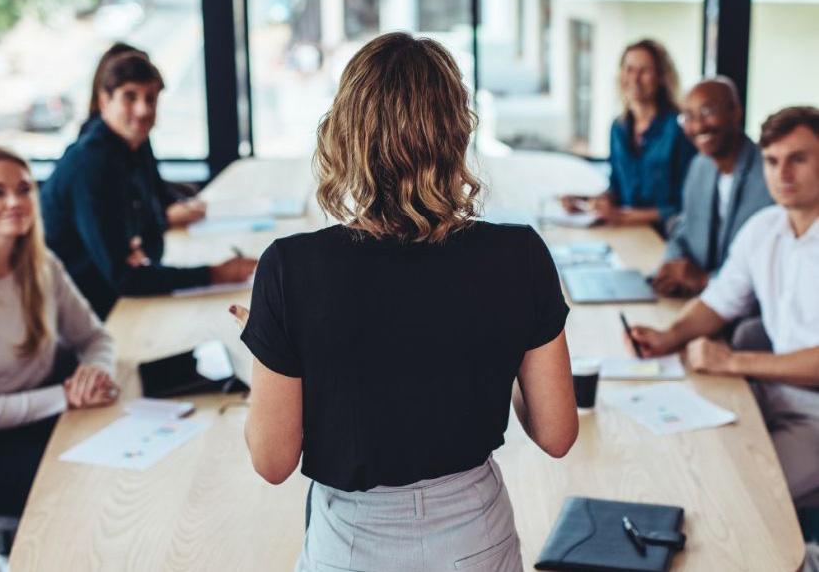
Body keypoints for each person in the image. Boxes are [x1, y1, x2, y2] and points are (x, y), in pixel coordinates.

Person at [236, 33, 578, 572]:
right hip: (477, 539)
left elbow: (272, 460)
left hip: (351, 547)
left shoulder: (289, 269)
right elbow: (556, 434)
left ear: (345, 134)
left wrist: (273, 347)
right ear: (457, 132)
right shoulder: (521, 254)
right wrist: (503, 340)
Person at [628, 106, 819, 508]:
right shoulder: (764, 228)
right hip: (770, 394)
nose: (781, 175)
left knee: (740, 498)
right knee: (688, 460)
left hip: (813, 415)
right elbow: (719, 301)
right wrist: (668, 336)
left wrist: (733, 361)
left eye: (798, 160)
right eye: (771, 161)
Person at [0, 143, 120, 517]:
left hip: (43, 418)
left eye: (24, 188)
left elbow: (96, 338)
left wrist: (94, 372)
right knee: (87, 490)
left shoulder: (43, 267)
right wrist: (65, 397)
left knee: (122, 462)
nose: (15, 201)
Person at [41, 51, 257, 320]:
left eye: (150, 99)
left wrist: (138, 247)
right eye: (130, 97)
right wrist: (216, 273)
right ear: (104, 101)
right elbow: (124, 278)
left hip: (110, 290)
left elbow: (152, 228)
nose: (143, 110)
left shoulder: (134, 143)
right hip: (79, 308)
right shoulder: (91, 164)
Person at [652, 77, 774, 297]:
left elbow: (769, 264)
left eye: (708, 111)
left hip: (742, 308)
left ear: (736, 113)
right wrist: (673, 265)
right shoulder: (700, 166)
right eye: (688, 116)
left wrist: (706, 280)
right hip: (696, 300)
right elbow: (683, 229)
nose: (698, 125)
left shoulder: (770, 175)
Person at [562, 39, 696, 231]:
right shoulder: (618, 128)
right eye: (629, 69)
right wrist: (589, 202)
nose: (634, 78)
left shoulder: (679, 129)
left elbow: (685, 204)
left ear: (660, 77)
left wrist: (623, 216)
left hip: (665, 235)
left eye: (644, 71)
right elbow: (616, 187)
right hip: (628, 231)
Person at [84, 42, 207, 228]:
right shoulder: (92, 150)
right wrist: (164, 218)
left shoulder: (136, 136)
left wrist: (181, 205)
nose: (142, 110)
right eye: (130, 95)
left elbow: (153, 186)